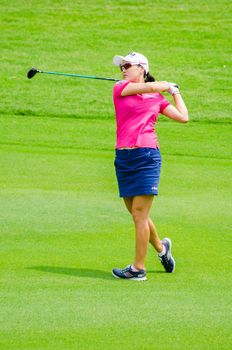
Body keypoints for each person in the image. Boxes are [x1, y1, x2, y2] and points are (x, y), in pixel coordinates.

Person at [111, 52, 189, 281]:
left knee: (139, 213)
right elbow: (146, 88)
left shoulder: (157, 99)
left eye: (127, 65)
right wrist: (163, 85)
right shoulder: (120, 88)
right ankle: (162, 248)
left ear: (142, 69)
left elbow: (183, 117)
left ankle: (138, 269)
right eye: (121, 66)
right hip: (124, 158)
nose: (123, 69)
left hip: (147, 156)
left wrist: (174, 92)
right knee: (136, 212)